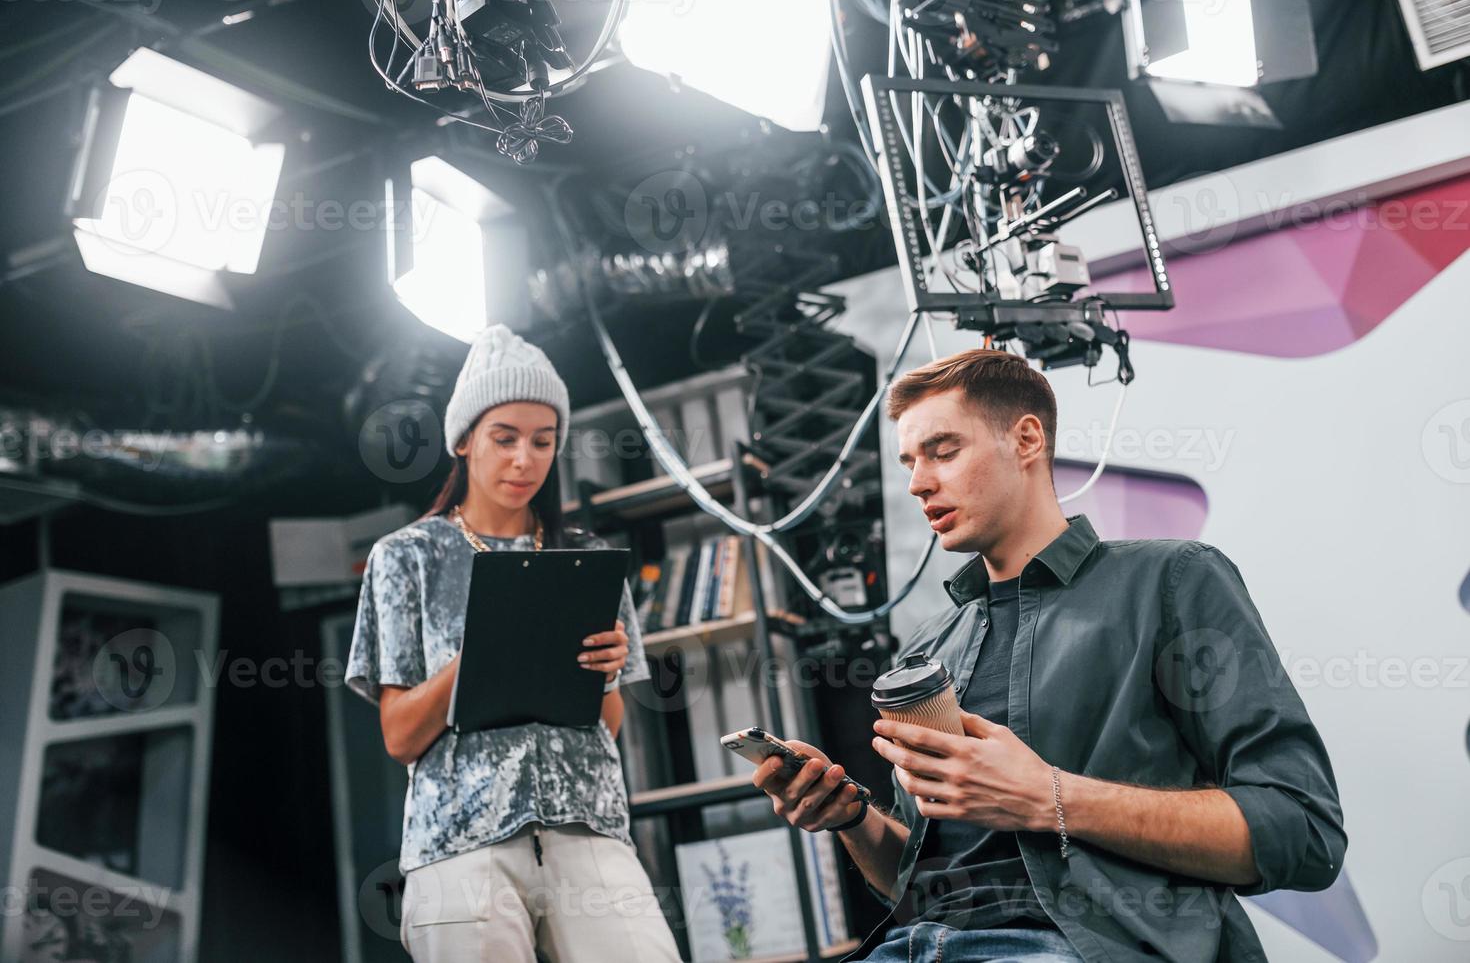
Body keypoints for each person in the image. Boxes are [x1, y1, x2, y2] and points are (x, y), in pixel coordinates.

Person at [749, 348, 1346, 962]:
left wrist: (1046, 795)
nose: (918, 482)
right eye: (909, 462)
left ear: (1027, 439)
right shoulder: (928, 650)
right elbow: (919, 884)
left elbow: (1304, 833)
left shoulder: (1173, 580)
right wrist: (852, 818)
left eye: (944, 451)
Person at [345, 325, 682, 963]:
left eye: (542, 441)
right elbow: (399, 736)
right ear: (465, 440)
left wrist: (606, 674)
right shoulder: (407, 558)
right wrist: (476, 660)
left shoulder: (584, 557)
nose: (524, 459)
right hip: (459, 844)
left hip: (589, 828)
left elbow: (608, 726)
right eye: (504, 438)